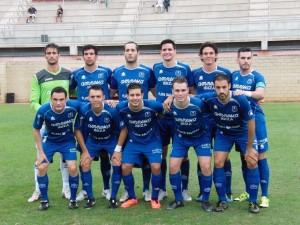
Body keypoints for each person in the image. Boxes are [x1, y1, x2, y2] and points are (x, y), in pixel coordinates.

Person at [204, 74, 260, 213]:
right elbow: (188, 96)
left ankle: (253, 201)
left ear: (229, 86)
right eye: (218, 88)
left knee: (252, 161)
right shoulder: (209, 98)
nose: (221, 91)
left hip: (243, 133)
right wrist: (171, 97)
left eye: (224, 87)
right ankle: (222, 199)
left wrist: (249, 148)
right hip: (224, 135)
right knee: (218, 163)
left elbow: (251, 122)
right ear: (214, 88)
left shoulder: (240, 99)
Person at [110, 41, 156, 203]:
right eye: (127, 50)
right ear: (124, 53)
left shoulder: (147, 71)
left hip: (142, 120)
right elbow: (112, 93)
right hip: (123, 119)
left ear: (138, 52)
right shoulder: (117, 72)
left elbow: (154, 93)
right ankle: (127, 191)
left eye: (132, 50)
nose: (130, 53)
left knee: (146, 158)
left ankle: (146, 189)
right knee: (123, 156)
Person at [190, 42, 233, 202]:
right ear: (201, 56)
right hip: (204, 122)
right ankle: (203, 191)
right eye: (205, 53)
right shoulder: (195, 74)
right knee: (204, 157)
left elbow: (230, 95)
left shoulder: (225, 73)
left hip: (222, 121)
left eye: (211, 53)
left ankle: (227, 190)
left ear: (216, 55)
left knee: (224, 158)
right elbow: (193, 95)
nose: (208, 56)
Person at [28, 43, 71, 203]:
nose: (52, 55)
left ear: (59, 55)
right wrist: (46, 113)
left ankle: (66, 189)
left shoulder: (68, 74)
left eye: (54, 52)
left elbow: (72, 97)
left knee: (67, 157)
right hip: (45, 124)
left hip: (65, 123)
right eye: (49, 53)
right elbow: (33, 101)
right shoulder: (38, 76)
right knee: (41, 156)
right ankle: (38, 190)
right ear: (45, 55)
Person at [164, 76, 214, 212]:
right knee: (173, 166)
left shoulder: (198, 103)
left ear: (188, 91)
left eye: (183, 90)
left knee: (205, 166)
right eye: (177, 90)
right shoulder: (168, 105)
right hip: (181, 138)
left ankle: (206, 200)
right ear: (172, 91)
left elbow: (210, 117)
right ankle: (178, 199)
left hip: (201, 138)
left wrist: (206, 132)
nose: (180, 94)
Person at [70, 44, 113, 202]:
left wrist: (108, 100)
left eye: (91, 54)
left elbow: (113, 89)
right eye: (86, 54)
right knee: (84, 154)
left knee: (104, 155)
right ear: (83, 56)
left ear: (96, 56)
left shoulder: (106, 72)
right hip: (84, 118)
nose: (89, 56)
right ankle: (86, 190)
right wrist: (81, 105)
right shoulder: (76, 74)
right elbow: (71, 90)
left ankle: (106, 188)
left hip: (101, 116)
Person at [153, 39, 193, 202]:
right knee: (161, 154)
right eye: (164, 49)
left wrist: (172, 97)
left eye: (170, 49)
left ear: (175, 51)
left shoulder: (184, 68)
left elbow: (191, 92)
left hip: (179, 119)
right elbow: (153, 89)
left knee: (182, 155)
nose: (167, 52)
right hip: (161, 119)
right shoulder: (156, 68)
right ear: (161, 52)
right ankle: (162, 188)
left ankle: (184, 189)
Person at [75, 85, 127, 209]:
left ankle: (113, 198)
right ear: (88, 98)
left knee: (117, 162)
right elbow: (77, 130)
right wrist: (84, 151)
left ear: (104, 97)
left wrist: (118, 150)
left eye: (98, 96)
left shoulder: (112, 110)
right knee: (84, 163)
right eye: (92, 97)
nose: (96, 99)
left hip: (110, 140)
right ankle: (91, 198)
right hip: (93, 141)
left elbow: (124, 129)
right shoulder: (84, 110)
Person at [114, 82, 163, 209]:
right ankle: (132, 198)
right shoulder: (121, 108)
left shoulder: (154, 105)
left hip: (152, 141)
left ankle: (155, 198)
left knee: (156, 166)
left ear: (142, 95)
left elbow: (163, 112)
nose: (135, 97)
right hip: (134, 142)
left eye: (137, 94)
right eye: (132, 95)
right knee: (125, 167)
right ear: (126, 96)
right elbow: (121, 125)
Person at [231, 47, 270, 208]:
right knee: (245, 157)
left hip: (256, 120)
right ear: (237, 59)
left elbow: (260, 94)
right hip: (240, 123)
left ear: (251, 59)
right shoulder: (233, 75)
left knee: (260, 157)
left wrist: (244, 93)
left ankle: (265, 196)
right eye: (243, 58)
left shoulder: (257, 76)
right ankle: (249, 191)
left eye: (248, 58)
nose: (245, 61)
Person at [33, 87, 82, 210]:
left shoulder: (73, 106)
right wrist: (40, 152)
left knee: (72, 167)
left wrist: (108, 102)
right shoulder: (43, 110)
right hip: (50, 141)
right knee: (42, 167)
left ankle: (73, 199)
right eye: (55, 99)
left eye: (61, 99)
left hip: (67, 141)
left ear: (66, 99)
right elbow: (36, 129)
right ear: (51, 99)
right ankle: (45, 200)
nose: (58, 103)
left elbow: (91, 105)